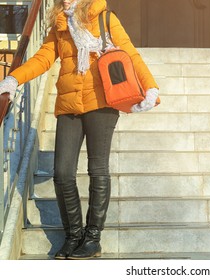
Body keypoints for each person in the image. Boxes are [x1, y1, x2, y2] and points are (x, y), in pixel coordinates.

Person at [0, 0, 159, 259]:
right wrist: (14, 78)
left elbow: (131, 54)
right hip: (69, 105)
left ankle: (93, 237)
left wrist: (150, 88)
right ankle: (73, 235)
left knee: (97, 170)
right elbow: (43, 58)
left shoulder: (105, 18)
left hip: (102, 103)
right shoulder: (61, 24)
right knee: (62, 173)